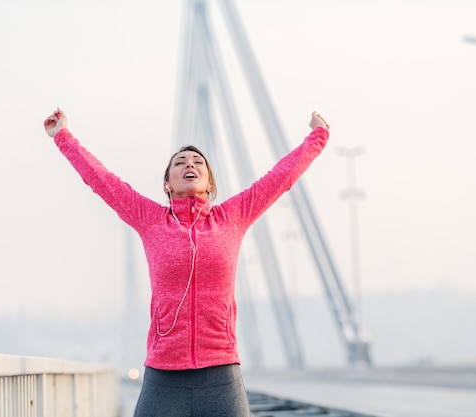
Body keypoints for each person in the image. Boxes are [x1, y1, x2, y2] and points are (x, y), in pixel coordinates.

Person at [43, 107, 330, 417]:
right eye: (180, 162)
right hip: (163, 378)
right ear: (167, 184)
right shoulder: (151, 219)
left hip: (220, 377)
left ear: (209, 184)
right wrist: (62, 135)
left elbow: (280, 178)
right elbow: (102, 181)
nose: (189, 164)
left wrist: (318, 135)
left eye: (198, 163)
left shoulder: (232, 217)